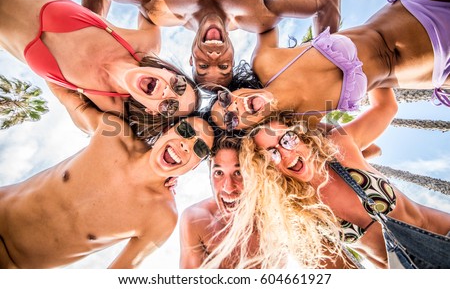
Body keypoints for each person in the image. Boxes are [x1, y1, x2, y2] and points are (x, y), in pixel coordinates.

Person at [0, 83, 214, 268]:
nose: (187, 145)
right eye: (186, 131)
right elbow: (67, 95)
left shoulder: (162, 218)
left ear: (194, 166)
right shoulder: (114, 134)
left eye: (200, 149)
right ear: (168, 129)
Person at [232, 88, 450, 268]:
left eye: (287, 139)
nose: (286, 153)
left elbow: (386, 106)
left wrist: (363, 55)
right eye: (273, 153)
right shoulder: (302, 213)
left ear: (301, 135)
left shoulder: (339, 147)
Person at [209, 0, 450, 132]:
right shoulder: (303, 126)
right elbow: (378, 122)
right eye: (230, 119)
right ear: (244, 131)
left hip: (418, 6)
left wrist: (328, 41)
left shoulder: (266, 61)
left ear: (236, 89)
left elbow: (262, 3)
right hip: (437, 70)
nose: (234, 106)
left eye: (225, 99)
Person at [82, 0, 342, 89]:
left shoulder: (159, 10)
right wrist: (326, 66)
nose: (214, 59)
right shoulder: (257, 16)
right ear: (232, 57)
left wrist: (89, 45)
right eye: (224, 67)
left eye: (203, 67)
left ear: (191, 59)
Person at [0, 0, 199, 122]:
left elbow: (111, 143)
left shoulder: (106, 108)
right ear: (168, 71)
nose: (168, 92)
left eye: (169, 107)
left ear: (151, 111)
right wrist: (90, 19)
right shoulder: (145, 43)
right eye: (178, 85)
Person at [179, 136, 263, 268]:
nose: (228, 188)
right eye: (218, 173)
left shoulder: (276, 221)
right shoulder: (196, 220)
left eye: (238, 173)